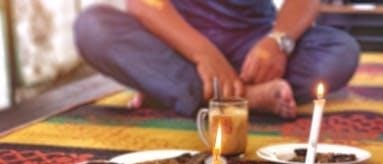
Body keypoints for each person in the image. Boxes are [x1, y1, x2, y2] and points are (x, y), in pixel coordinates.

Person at [74, 0, 360, 119]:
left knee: (340, 51)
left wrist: (278, 42)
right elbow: (145, 3)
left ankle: (174, 90)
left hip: (252, 48)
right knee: (93, 28)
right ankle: (247, 98)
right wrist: (203, 53)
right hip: (178, 47)